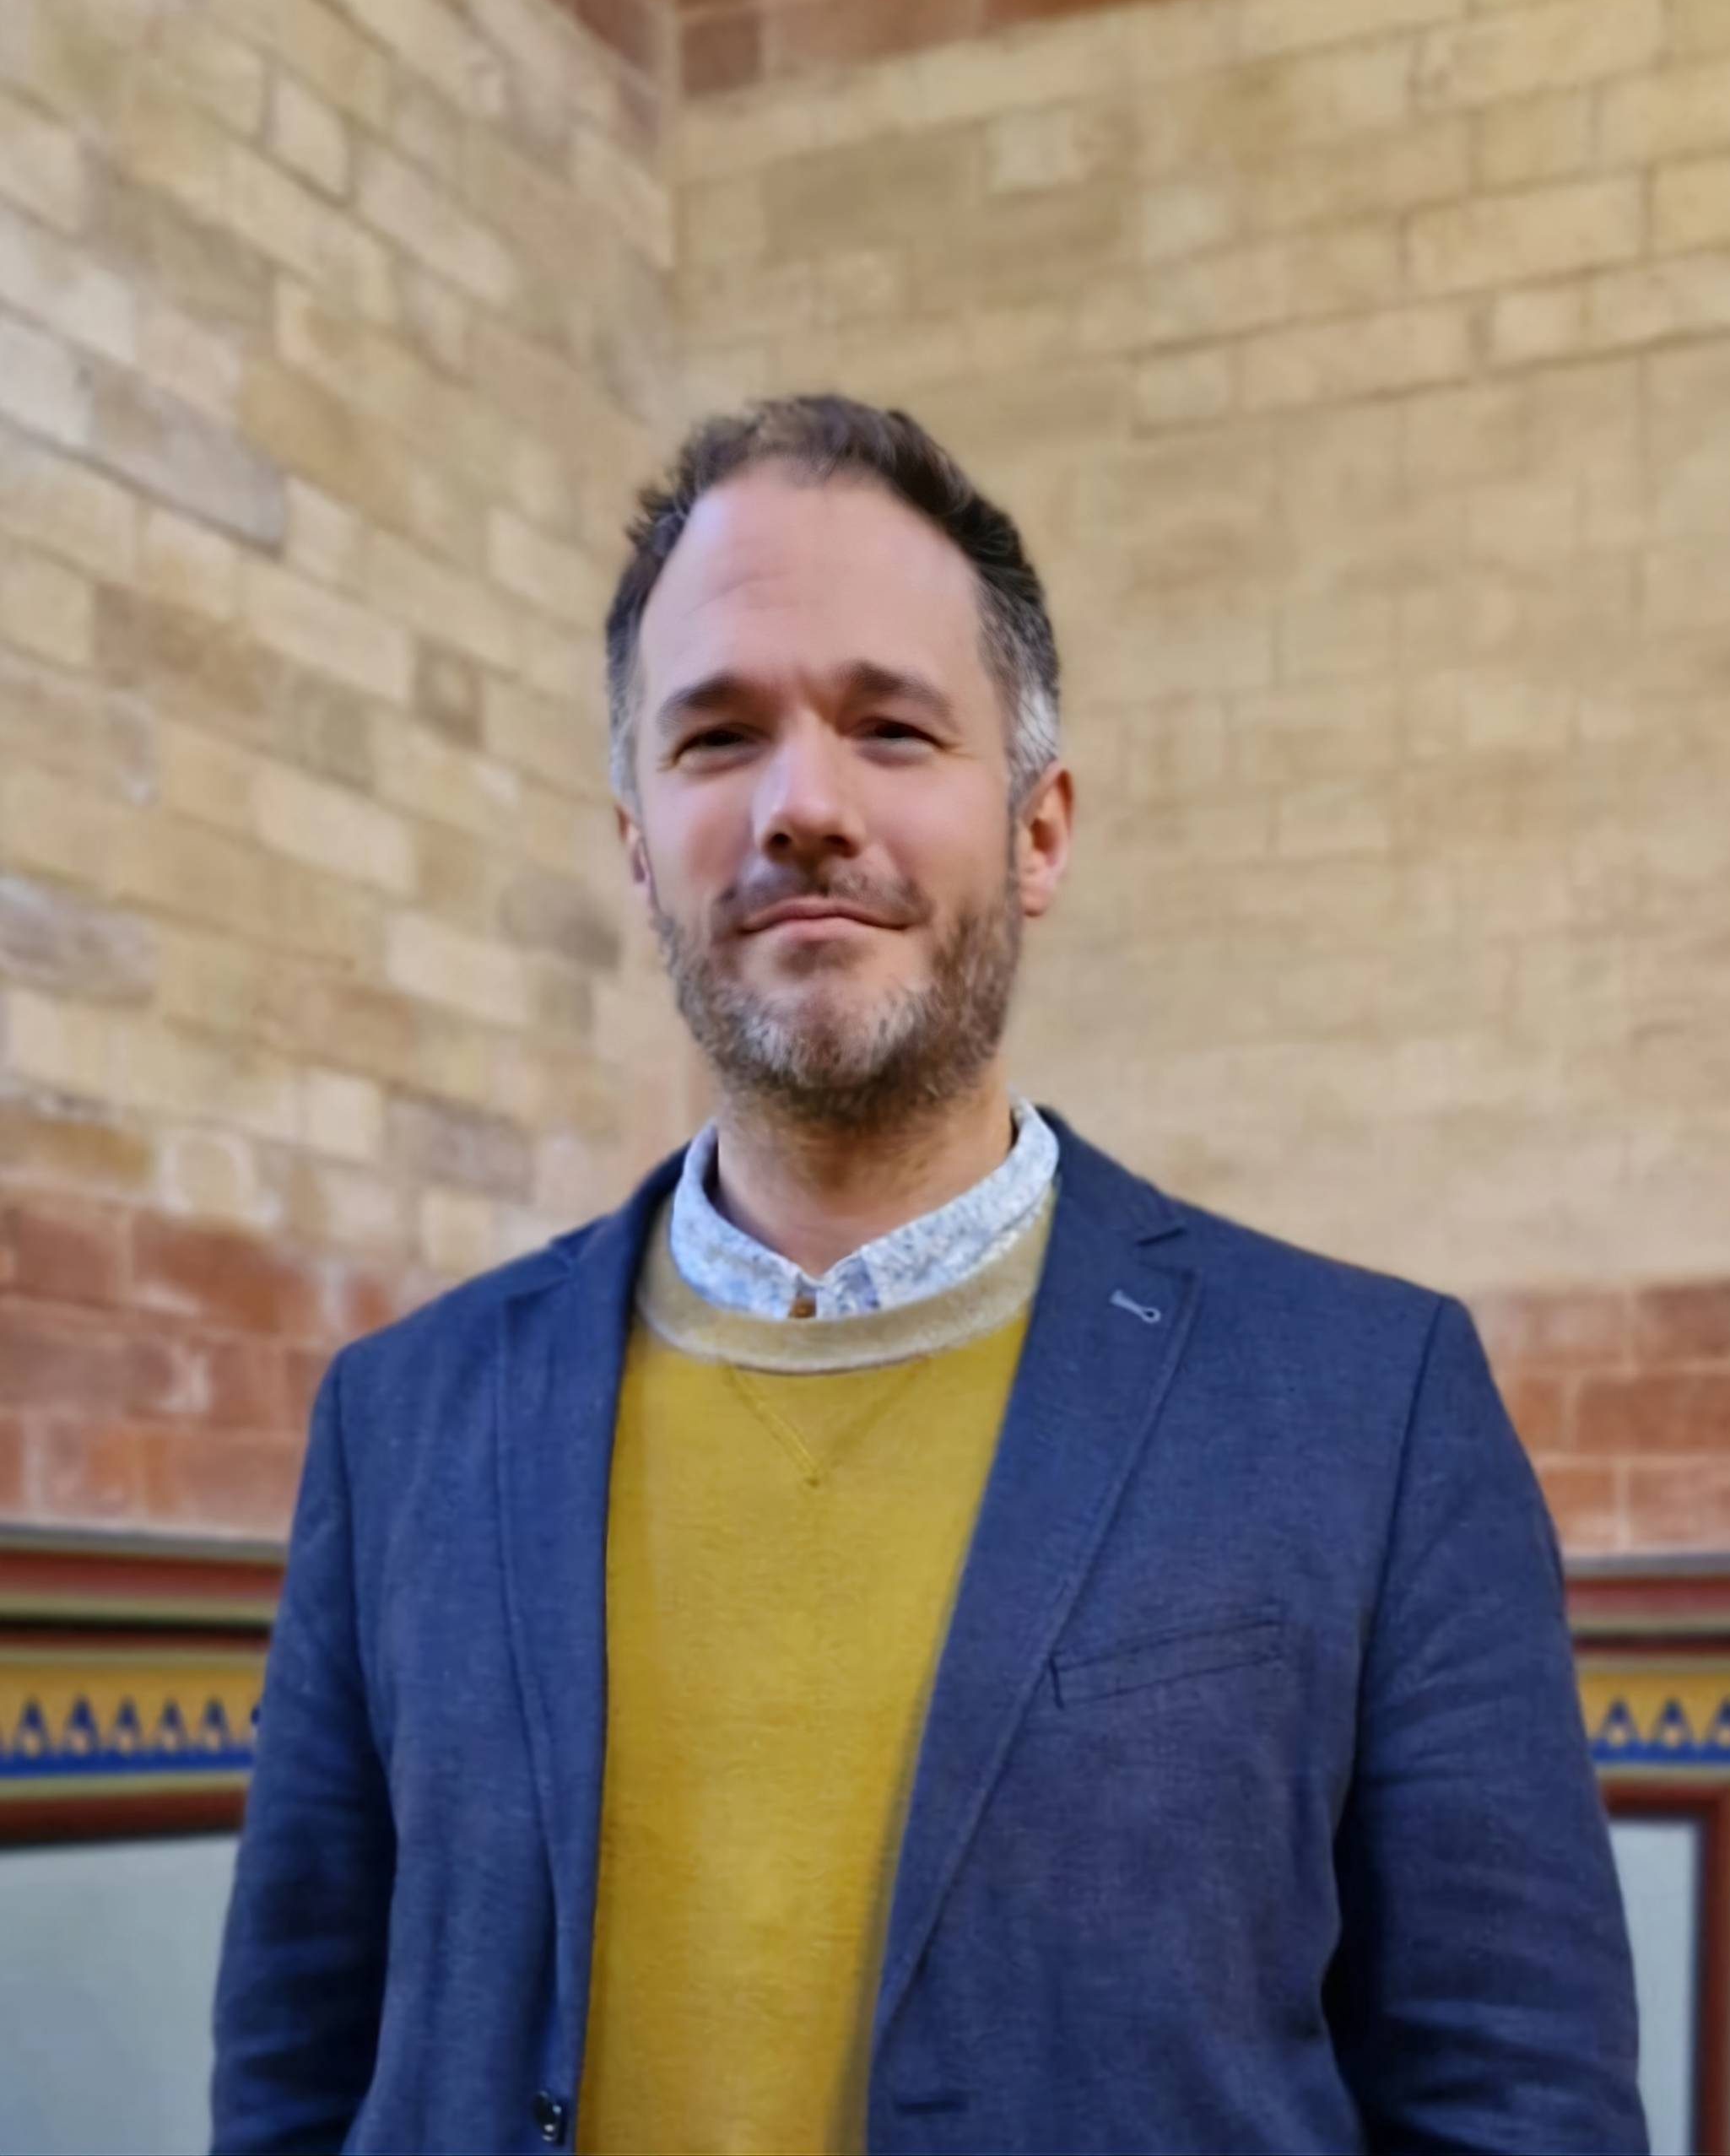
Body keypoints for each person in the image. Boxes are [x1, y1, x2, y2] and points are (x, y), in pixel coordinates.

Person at [211, 396, 1646, 2156]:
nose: (802, 804)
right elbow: (292, 2074)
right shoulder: (405, 1418)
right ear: (636, 839)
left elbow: (1513, 2094)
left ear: (1037, 828)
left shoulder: (1369, 1406)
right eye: (717, 736)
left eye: (891, 727)